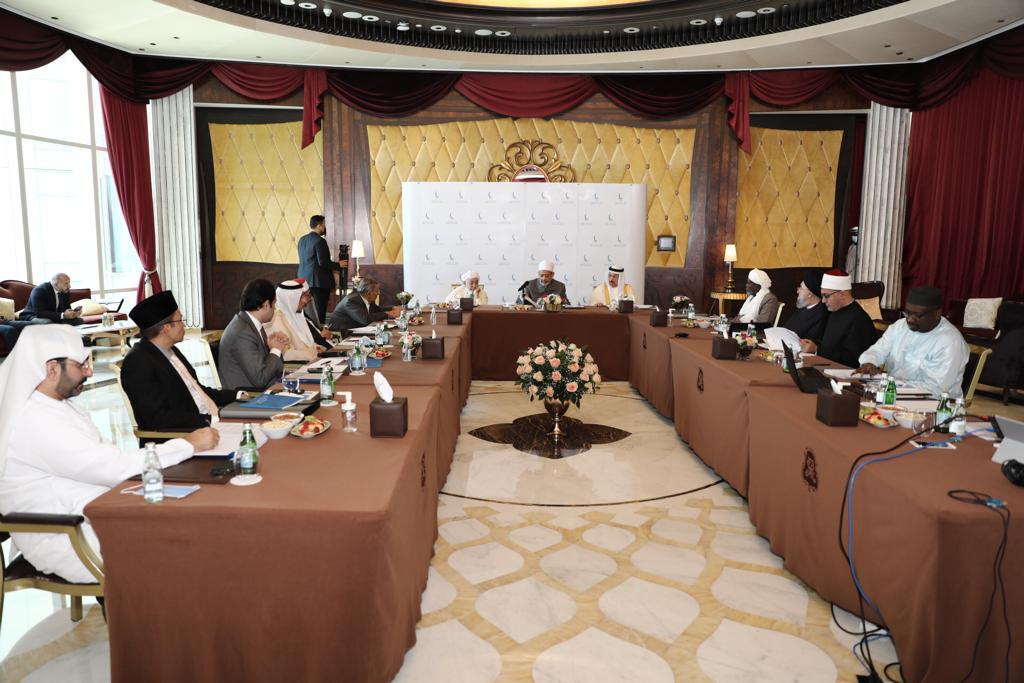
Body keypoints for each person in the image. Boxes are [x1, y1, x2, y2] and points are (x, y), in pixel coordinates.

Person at [0, 325, 218, 583]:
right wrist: (188, 444)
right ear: (51, 369)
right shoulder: (34, 421)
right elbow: (114, 468)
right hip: (68, 535)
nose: (89, 372)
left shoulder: (56, 406)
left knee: (189, 524)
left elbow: (107, 459)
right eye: (81, 365)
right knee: (180, 548)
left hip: (94, 513)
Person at [121, 290, 243, 431]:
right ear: (166, 328)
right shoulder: (138, 362)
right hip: (184, 435)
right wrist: (210, 420)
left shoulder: (171, 350)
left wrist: (237, 395)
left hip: (206, 422)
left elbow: (199, 391)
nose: (184, 325)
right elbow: (157, 418)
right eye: (180, 320)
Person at [857, 286, 969, 398]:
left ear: (937, 313)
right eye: (907, 313)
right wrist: (869, 362)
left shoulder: (950, 342)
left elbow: (935, 388)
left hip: (933, 402)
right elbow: (878, 349)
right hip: (892, 393)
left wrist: (890, 386)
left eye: (917, 315)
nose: (910, 319)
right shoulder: (900, 326)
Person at [219, 279, 290, 391]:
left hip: (263, 389)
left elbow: (274, 370)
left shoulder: (250, 324)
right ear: (266, 305)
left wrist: (273, 347)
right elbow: (260, 379)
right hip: (248, 396)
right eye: (274, 303)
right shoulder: (242, 333)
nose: (275, 308)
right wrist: (276, 350)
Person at [800, 270, 877, 368]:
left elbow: (854, 360)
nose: (823, 301)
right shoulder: (835, 310)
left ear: (842, 294)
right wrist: (811, 344)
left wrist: (817, 350)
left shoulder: (859, 319)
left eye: (826, 296)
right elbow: (830, 344)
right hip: (828, 367)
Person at [297, 214, 345, 324]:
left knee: (306, 310)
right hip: (319, 281)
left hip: (303, 280)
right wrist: (339, 265)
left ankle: (309, 331)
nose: (324, 227)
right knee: (320, 311)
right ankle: (320, 332)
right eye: (324, 225)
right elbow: (323, 262)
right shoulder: (320, 241)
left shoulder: (302, 240)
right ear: (319, 226)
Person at [268, 279, 332, 362]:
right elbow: (285, 354)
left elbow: (308, 344)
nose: (306, 301)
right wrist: (313, 354)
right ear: (291, 299)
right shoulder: (277, 319)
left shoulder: (297, 315)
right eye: (300, 297)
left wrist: (317, 349)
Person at [327, 276, 397, 331]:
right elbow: (365, 320)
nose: (378, 293)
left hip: (356, 330)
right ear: (369, 293)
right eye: (377, 291)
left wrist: (393, 308)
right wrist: (388, 314)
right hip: (342, 333)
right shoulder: (351, 301)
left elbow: (378, 309)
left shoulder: (367, 299)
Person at [18, 273, 84, 325]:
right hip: (33, 316)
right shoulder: (40, 290)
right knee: (48, 322)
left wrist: (73, 314)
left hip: (53, 317)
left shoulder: (65, 291)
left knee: (79, 321)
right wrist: (63, 315)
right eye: (66, 283)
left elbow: (66, 309)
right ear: (56, 284)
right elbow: (40, 313)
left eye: (69, 283)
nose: (69, 286)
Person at [783, 271, 828, 342]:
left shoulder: (821, 315)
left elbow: (809, 343)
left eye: (801, 288)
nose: (797, 291)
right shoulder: (802, 308)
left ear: (810, 293)